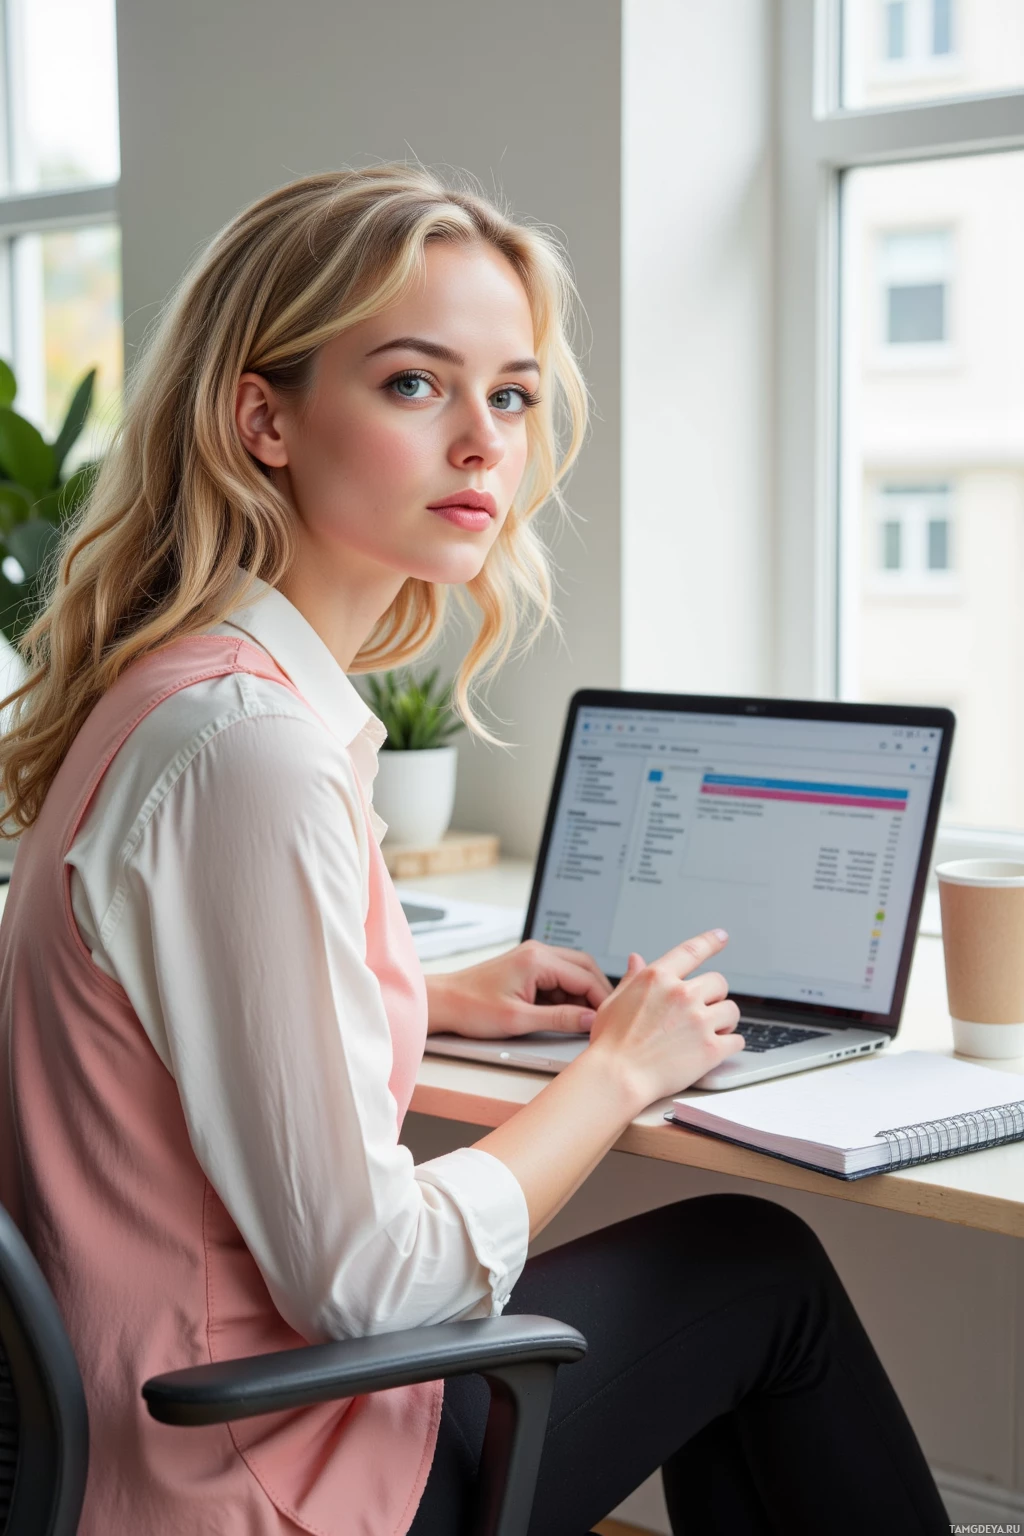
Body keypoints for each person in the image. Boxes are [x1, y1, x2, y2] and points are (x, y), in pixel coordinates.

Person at [0, 165, 948, 1536]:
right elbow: (368, 1283)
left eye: (508, 394)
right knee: (757, 1270)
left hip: (135, 1426)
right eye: (412, 384)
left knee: (743, 1277)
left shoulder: (176, 694)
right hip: (254, 1474)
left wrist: (425, 991)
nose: (484, 445)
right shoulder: (251, 754)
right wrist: (621, 1068)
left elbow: (142, 1005)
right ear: (262, 418)